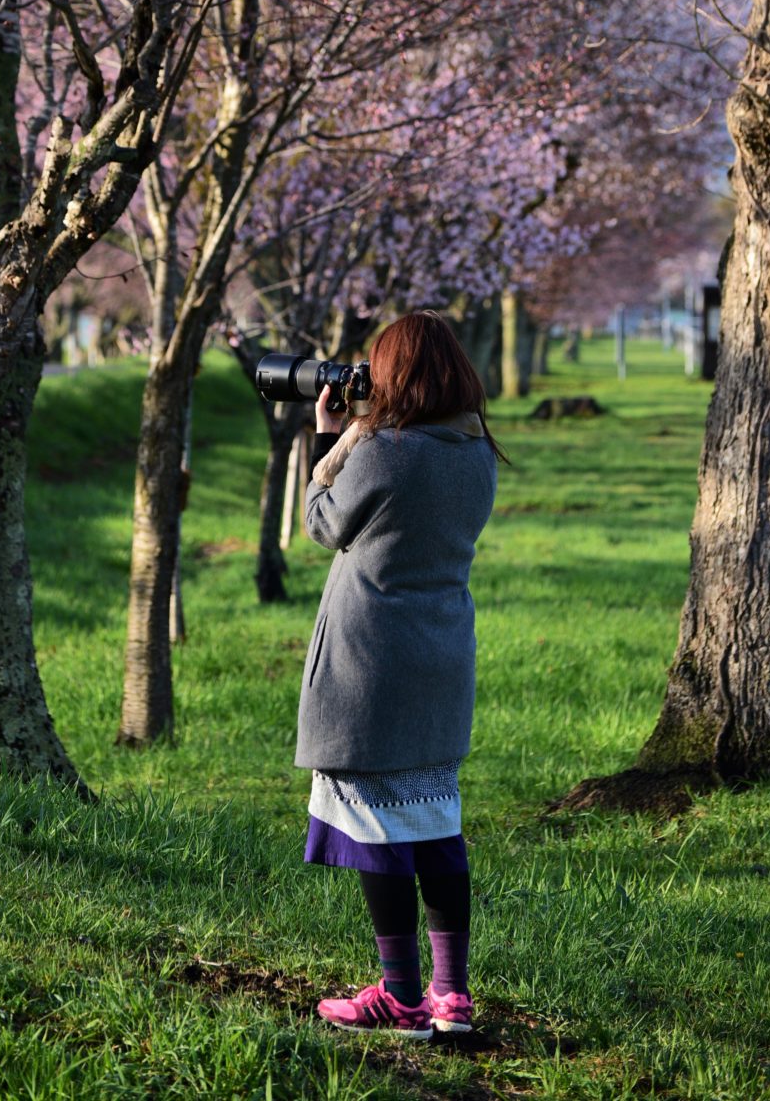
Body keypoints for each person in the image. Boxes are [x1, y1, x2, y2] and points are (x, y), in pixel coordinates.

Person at [297, 310, 502, 1038]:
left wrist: (329, 438)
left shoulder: (385, 454)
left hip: (372, 664)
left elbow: (323, 524)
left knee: (375, 832)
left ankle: (401, 995)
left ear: (397, 374)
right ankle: (452, 999)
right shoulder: (475, 452)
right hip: (442, 658)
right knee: (436, 830)